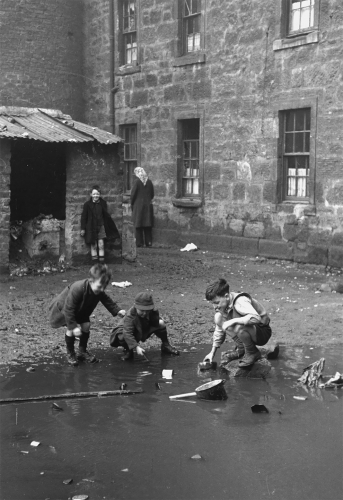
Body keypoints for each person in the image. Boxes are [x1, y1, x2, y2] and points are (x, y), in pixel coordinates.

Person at [49, 264, 125, 366]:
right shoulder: (78, 288)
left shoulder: (98, 289)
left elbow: (106, 300)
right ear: (90, 281)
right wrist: (73, 326)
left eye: (104, 287)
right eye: (99, 286)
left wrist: (117, 311)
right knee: (71, 330)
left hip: (81, 309)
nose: (102, 289)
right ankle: (71, 353)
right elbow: (69, 309)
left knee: (86, 325)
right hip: (65, 309)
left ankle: (82, 351)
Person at [203, 278, 272, 367]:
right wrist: (212, 352)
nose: (215, 307)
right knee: (218, 317)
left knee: (238, 326)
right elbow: (219, 330)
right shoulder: (223, 306)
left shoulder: (240, 301)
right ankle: (242, 348)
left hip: (262, 332)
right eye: (212, 303)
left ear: (227, 296)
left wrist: (232, 321)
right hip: (249, 330)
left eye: (216, 302)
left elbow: (256, 318)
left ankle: (252, 352)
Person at [110, 292, 179, 360]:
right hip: (127, 332)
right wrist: (136, 347)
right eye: (142, 310)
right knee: (122, 336)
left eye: (147, 310)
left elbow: (155, 324)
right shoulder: (130, 315)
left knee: (161, 323)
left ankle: (165, 345)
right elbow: (127, 333)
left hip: (143, 329)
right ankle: (128, 350)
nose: (145, 313)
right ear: (136, 307)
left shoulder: (153, 311)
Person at [80, 185, 120, 264]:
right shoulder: (87, 205)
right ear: (91, 194)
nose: (96, 196)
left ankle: (101, 263)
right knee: (93, 245)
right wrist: (83, 228)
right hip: (91, 227)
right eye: (94, 194)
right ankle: (95, 263)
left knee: (101, 244)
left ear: (100, 194)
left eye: (97, 194)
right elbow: (84, 217)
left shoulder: (103, 203)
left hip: (101, 226)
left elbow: (105, 216)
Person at [130, 167, 154, 247]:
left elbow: (133, 194)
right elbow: (152, 194)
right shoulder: (149, 182)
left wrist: (132, 203)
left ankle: (139, 243)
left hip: (138, 205)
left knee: (138, 225)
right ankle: (149, 242)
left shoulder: (137, 182)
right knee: (147, 225)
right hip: (147, 205)